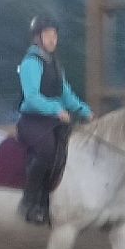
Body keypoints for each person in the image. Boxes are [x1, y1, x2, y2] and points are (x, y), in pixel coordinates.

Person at [16, 14, 92, 224]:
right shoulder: (30, 63)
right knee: (47, 151)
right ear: (37, 37)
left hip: (52, 120)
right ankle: (30, 202)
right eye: (48, 35)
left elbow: (66, 95)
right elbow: (31, 98)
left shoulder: (55, 64)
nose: (52, 39)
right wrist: (56, 110)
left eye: (54, 35)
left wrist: (85, 111)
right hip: (32, 121)